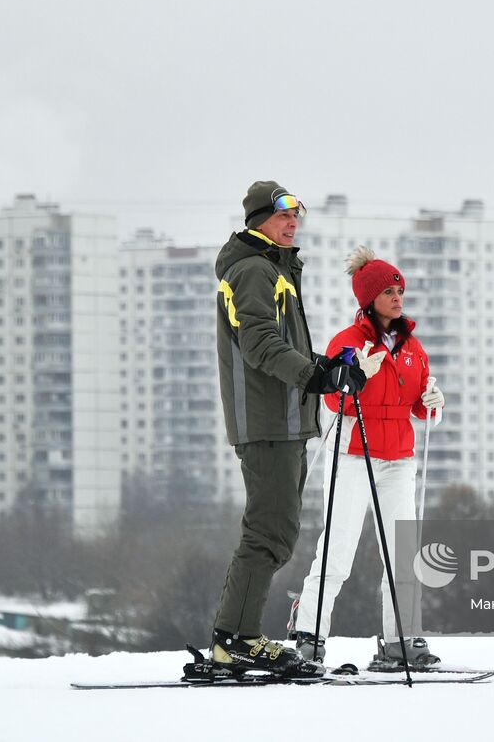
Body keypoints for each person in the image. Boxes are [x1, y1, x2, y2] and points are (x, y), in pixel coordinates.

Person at [201, 181, 380, 680]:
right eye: (283, 215)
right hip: (267, 423)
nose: (292, 222)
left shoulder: (274, 270)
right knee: (269, 532)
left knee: (274, 531)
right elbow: (259, 344)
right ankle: (235, 640)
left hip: (285, 420)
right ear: (258, 219)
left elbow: (282, 347)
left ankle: (234, 638)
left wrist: (330, 368)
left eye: (297, 214)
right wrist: (315, 374)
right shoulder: (253, 271)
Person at [288, 245, 447, 671]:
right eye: (389, 290)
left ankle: (401, 641)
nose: (398, 296)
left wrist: (432, 402)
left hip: (398, 458)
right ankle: (308, 637)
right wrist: (356, 375)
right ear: (369, 298)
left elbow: (416, 403)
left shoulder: (413, 347)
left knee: (403, 552)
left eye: (400, 289)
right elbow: (332, 400)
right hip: (354, 456)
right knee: (338, 549)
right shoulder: (347, 342)